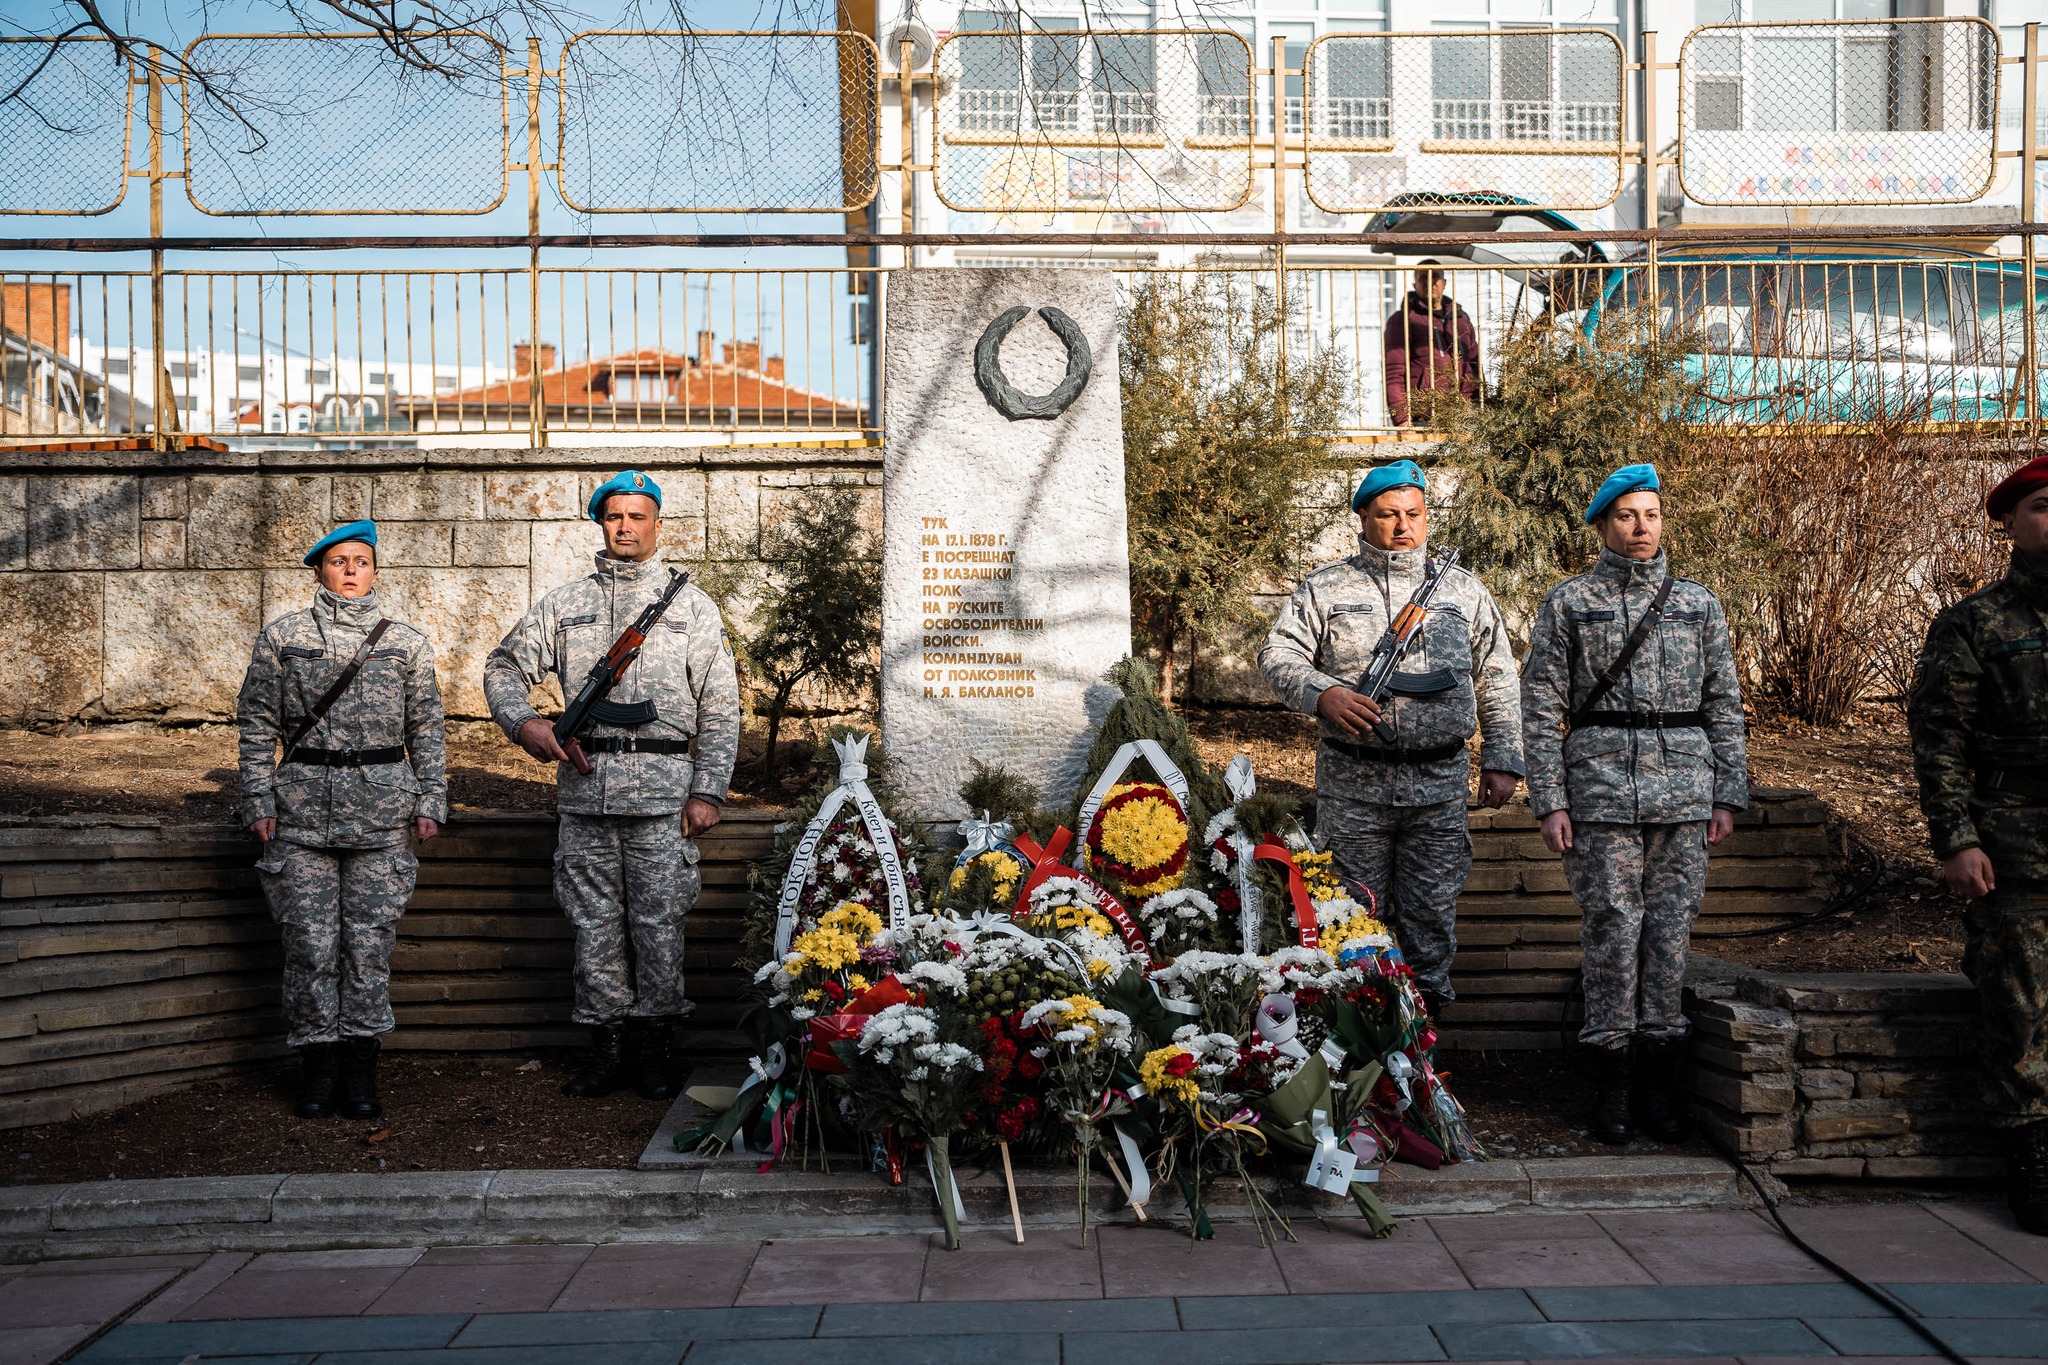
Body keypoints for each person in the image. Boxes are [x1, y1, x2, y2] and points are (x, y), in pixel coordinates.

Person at [484, 469, 740, 1101]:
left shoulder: (690, 607)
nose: (625, 527)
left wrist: (707, 790)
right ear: (601, 522)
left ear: (657, 523)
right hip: (586, 789)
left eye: (637, 516)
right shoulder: (566, 605)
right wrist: (526, 725)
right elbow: (502, 665)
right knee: (594, 924)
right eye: (614, 516)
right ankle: (605, 1050)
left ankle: (656, 1050)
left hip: (662, 796)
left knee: (658, 924)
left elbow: (721, 703)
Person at [1521, 463, 1747, 1146]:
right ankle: (1612, 1083)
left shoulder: (1698, 603)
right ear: (1602, 526)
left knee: (1670, 932)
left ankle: (1659, 1082)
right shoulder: (1570, 603)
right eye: (1626, 516)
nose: (1641, 526)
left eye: (1650, 514)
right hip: (1601, 794)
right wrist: (1549, 801)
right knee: (1614, 931)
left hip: (1684, 790)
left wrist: (1727, 792)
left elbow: (1724, 703)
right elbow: (1540, 706)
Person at [1258, 459, 1524, 1018]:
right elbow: (1277, 654)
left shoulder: (1463, 591)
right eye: (1387, 514)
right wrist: (1322, 693)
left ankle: (1426, 1055)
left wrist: (1503, 756)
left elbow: (1498, 675)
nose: (1402, 525)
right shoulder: (1326, 587)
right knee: (1351, 919)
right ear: (1362, 518)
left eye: (1413, 513)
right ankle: (1359, 1057)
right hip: (1355, 786)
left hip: (1439, 785)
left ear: (1427, 516)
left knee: (1431, 917)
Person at [236, 519, 447, 1121]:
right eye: (339, 561)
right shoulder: (284, 637)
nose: (351, 570)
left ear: (376, 569)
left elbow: (426, 728)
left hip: (382, 815)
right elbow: (257, 725)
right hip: (301, 816)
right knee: (309, 946)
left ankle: (360, 1068)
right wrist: (258, 801)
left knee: (369, 947)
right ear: (320, 570)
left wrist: (432, 799)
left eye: (361, 560)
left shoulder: (405, 642)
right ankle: (317, 1069)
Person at [1907, 453, 2048, 1237]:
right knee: (2021, 1008)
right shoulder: (1974, 623)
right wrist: (1956, 838)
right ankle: (2032, 1155)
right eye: (2042, 508)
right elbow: (1940, 740)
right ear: (2011, 523)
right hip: (2017, 845)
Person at [1384, 260, 1480, 430]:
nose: (1430, 281)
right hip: (1423, 416)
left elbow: (1475, 366)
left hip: (1464, 413)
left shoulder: (1461, 320)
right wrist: (1403, 421)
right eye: (1423, 277)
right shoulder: (1403, 319)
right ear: (1415, 284)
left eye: (1435, 276)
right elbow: (1394, 374)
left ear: (1444, 283)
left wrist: (1479, 408)